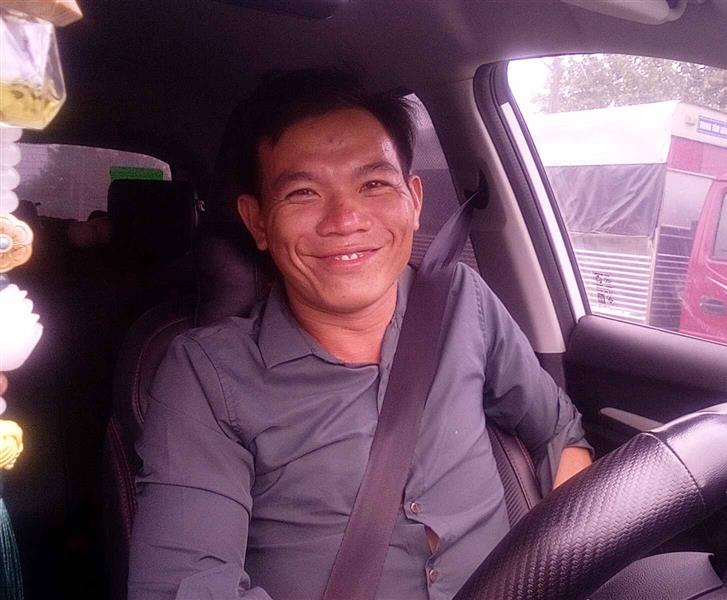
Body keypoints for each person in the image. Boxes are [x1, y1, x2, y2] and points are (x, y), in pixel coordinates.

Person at [128, 69, 593, 600]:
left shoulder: (463, 300)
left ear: (414, 201)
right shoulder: (207, 375)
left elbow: (557, 430)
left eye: (374, 184)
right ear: (257, 222)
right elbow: (184, 588)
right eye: (303, 192)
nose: (346, 219)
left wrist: (567, 560)